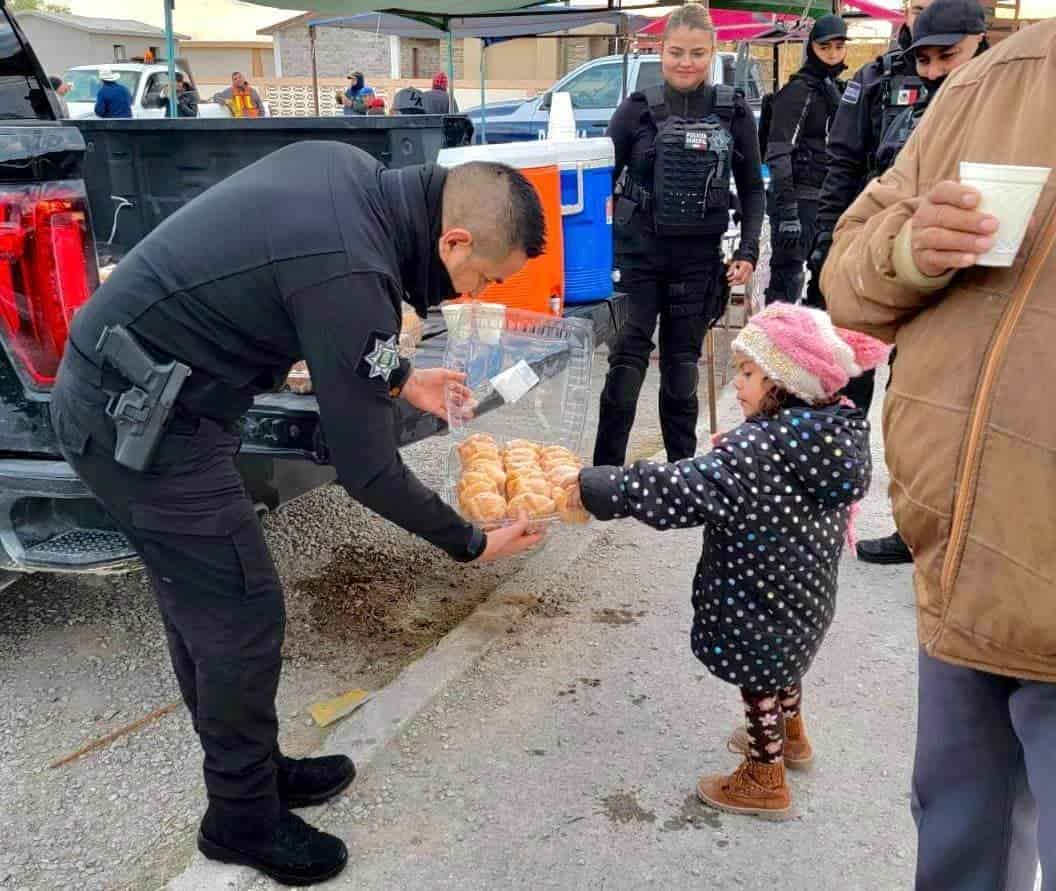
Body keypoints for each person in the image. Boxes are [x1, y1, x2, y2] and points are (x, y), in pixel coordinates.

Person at [49, 145, 547, 886]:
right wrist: (471, 541)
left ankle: (257, 769)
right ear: (454, 242)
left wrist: (402, 374)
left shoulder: (352, 177)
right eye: (482, 278)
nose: (471, 294)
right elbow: (367, 470)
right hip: (136, 424)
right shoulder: (354, 272)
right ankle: (239, 818)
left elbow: (328, 321)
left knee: (209, 606)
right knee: (240, 613)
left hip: (154, 398)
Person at [823, 19, 1056, 889]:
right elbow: (847, 272)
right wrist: (909, 249)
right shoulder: (997, 82)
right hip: (961, 564)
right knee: (959, 845)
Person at [566, 302, 886, 817]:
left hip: (754, 600)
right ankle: (792, 737)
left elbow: (682, 489)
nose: (737, 384)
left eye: (749, 372)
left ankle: (765, 775)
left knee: (759, 682)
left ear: (785, 381)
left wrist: (604, 486)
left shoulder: (758, 449)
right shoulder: (832, 434)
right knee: (784, 666)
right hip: (803, 600)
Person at [593, 2, 765, 468]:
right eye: (675, 52)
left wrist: (747, 250)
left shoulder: (733, 112)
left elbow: (751, 189)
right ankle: (605, 475)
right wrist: (593, 258)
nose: (685, 62)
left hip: (698, 260)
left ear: (713, 52)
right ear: (660, 50)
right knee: (626, 365)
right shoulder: (635, 111)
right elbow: (600, 185)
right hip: (639, 258)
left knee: (681, 370)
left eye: (696, 53)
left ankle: (684, 474)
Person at [764, 15, 848, 305]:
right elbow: (777, 153)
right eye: (826, 47)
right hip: (798, 201)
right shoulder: (799, 91)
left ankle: (813, 349)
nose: (833, 54)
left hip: (828, 203)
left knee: (825, 284)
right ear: (812, 47)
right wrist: (788, 213)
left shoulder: (837, 90)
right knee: (787, 284)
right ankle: (774, 347)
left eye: (839, 46)